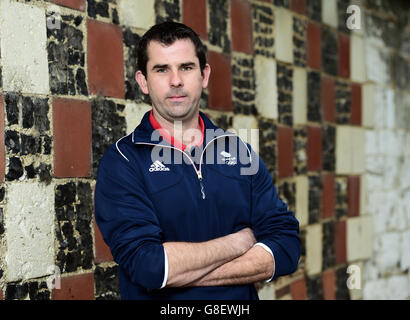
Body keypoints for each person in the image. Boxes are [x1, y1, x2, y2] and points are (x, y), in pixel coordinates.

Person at [94, 21, 300, 300]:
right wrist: (240, 241)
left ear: (204, 75)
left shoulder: (239, 153)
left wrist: (183, 272)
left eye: (186, 67)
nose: (176, 80)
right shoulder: (123, 162)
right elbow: (149, 267)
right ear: (143, 81)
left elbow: (287, 247)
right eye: (161, 69)